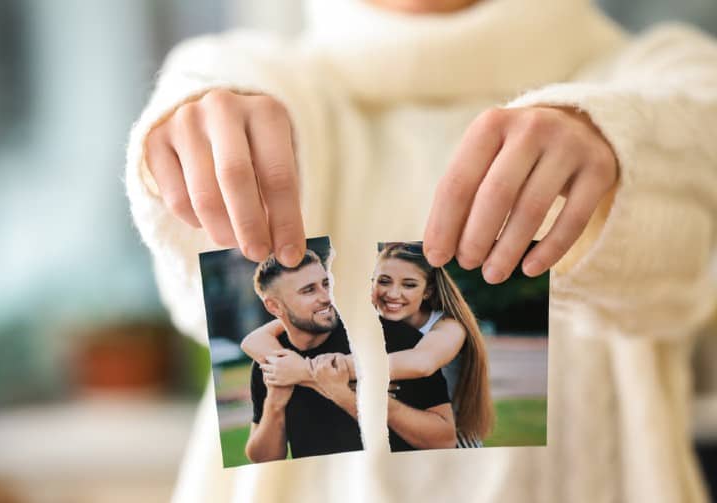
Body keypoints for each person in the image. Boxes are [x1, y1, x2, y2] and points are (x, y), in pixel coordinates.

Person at [125, 0, 717, 501]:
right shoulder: (250, 75)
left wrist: (620, 149)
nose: (387, 294)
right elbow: (198, 302)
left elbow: (686, 265)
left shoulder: (667, 76)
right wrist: (189, 132)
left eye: (405, 284)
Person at [242, 241, 492, 449]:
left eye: (409, 284)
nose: (393, 294)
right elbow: (254, 340)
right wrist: (289, 367)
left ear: (427, 290)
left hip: (457, 444)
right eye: (383, 281)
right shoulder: (366, 318)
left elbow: (421, 363)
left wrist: (307, 372)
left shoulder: (448, 326)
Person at [244, 249, 363, 461]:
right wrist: (274, 404)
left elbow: (396, 430)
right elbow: (261, 460)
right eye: (309, 290)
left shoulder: (360, 337)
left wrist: (303, 373)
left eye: (326, 284)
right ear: (274, 306)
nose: (327, 297)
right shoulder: (270, 360)